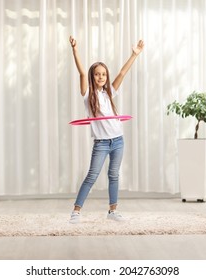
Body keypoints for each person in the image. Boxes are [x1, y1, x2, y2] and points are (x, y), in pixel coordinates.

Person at [68, 35, 144, 224]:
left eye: (103, 74)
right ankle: (76, 212)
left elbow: (122, 73)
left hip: (118, 139)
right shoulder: (88, 95)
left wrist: (134, 55)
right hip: (102, 142)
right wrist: (75, 50)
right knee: (92, 176)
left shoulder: (109, 91)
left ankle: (112, 211)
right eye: (97, 74)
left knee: (114, 175)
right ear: (93, 77)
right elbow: (82, 74)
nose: (101, 77)